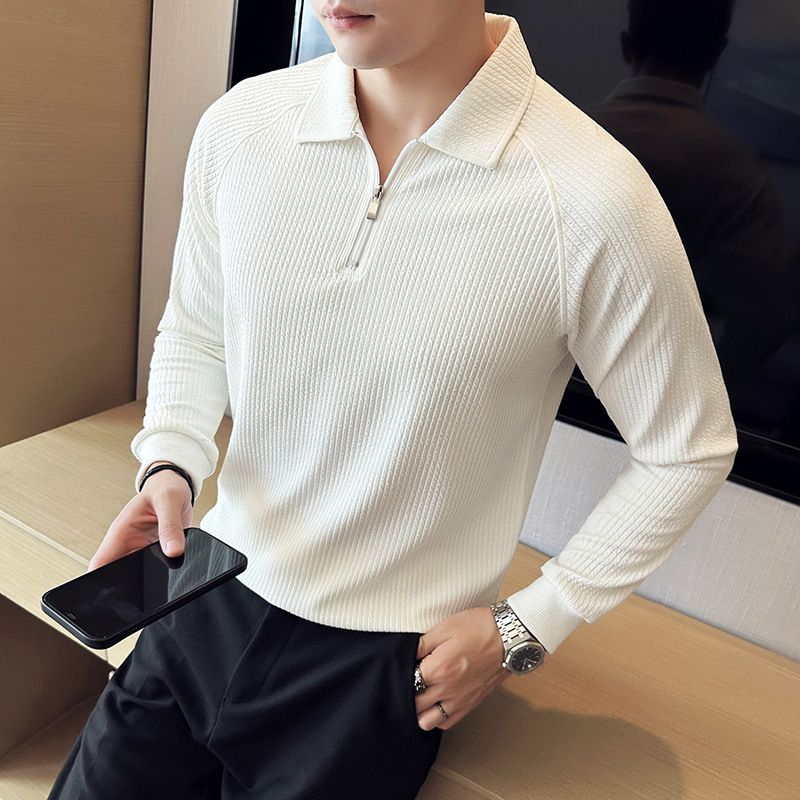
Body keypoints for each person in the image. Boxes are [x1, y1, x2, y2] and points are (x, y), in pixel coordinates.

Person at [48, 1, 738, 798]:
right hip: (207, 587)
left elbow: (688, 449)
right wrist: (169, 461)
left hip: (382, 664)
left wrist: (528, 625)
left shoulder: (591, 196)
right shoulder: (243, 126)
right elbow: (200, 327)